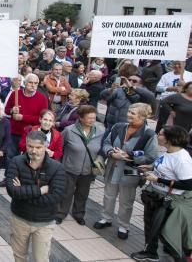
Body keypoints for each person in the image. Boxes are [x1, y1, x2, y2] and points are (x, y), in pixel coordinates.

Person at [95, 103, 159, 240]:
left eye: (133, 113)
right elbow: (106, 143)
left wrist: (130, 156)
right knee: (108, 195)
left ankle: (124, 226)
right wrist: (112, 153)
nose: (128, 114)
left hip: (131, 172)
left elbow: (151, 156)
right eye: (129, 111)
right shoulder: (118, 127)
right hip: (112, 167)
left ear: (142, 117)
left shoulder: (149, 134)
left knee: (126, 201)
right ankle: (106, 218)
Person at [130, 125, 192, 262]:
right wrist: (151, 167)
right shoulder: (169, 152)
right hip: (155, 196)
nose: (158, 136)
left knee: (165, 232)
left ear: (170, 139)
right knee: (151, 226)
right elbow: (165, 165)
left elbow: (188, 184)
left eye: (162, 134)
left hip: (168, 201)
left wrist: (158, 179)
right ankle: (151, 252)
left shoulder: (182, 159)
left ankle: (179, 257)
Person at [6, 130, 66, 262]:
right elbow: (12, 191)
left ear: (46, 146)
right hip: (20, 219)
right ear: (26, 145)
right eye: (30, 147)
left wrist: (23, 193)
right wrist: (40, 191)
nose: (33, 151)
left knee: (41, 259)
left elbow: (55, 197)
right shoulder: (16, 162)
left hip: (44, 222)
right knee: (19, 256)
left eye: (38, 147)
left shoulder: (57, 168)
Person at [58, 105, 104, 226]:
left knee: (83, 194)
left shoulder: (100, 132)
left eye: (94, 118)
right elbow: (59, 147)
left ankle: (79, 214)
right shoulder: (69, 130)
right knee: (66, 192)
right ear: (81, 118)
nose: (92, 120)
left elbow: (102, 149)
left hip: (88, 170)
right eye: (89, 118)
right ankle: (61, 213)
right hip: (69, 168)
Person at [5, 73, 49, 161]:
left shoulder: (42, 98)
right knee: (10, 157)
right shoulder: (15, 94)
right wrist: (12, 110)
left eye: (36, 83)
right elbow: (6, 110)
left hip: (30, 134)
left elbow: (42, 119)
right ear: (24, 83)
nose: (33, 85)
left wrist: (23, 117)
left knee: (26, 159)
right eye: (30, 82)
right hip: (14, 132)